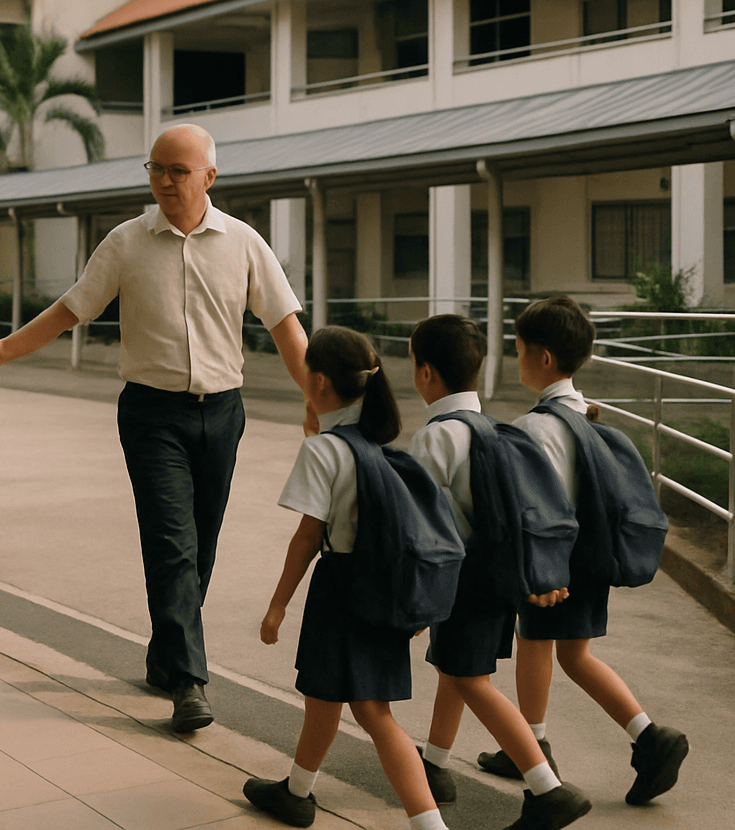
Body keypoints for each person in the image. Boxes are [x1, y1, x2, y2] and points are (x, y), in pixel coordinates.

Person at [0, 123, 309, 733]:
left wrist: (323, 404)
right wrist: (5, 351)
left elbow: (287, 330)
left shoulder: (245, 244)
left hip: (223, 413)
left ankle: (165, 655)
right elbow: (71, 310)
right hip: (151, 414)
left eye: (178, 170)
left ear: (209, 177)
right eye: (156, 169)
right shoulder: (124, 243)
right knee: (173, 544)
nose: (166, 181)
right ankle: (191, 682)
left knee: (201, 544)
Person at [476, 296, 688, 805]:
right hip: (593, 555)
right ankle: (636, 737)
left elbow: (534, 507)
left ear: (543, 359)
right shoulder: (588, 415)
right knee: (572, 654)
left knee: (540, 645)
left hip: (555, 561)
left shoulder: (534, 427)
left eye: (519, 349)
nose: (516, 357)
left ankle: (544, 746)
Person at [245, 327, 450, 830]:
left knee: (359, 712)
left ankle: (428, 826)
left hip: (339, 589)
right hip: (379, 587)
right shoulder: (378, 448)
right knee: (342, 704)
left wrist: (277, 606)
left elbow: (307, 538)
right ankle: (297, 792)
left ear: (317, 382)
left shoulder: (323, 452)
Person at [408, 314, 592, 830]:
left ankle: (546, 787)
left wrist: (413, 597)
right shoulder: (497, 430)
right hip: (496, 582)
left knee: (473, 680)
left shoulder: (436, 438)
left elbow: (418, 529)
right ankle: (435, 764)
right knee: (459, 670)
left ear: (425, 374)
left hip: (461, 584)